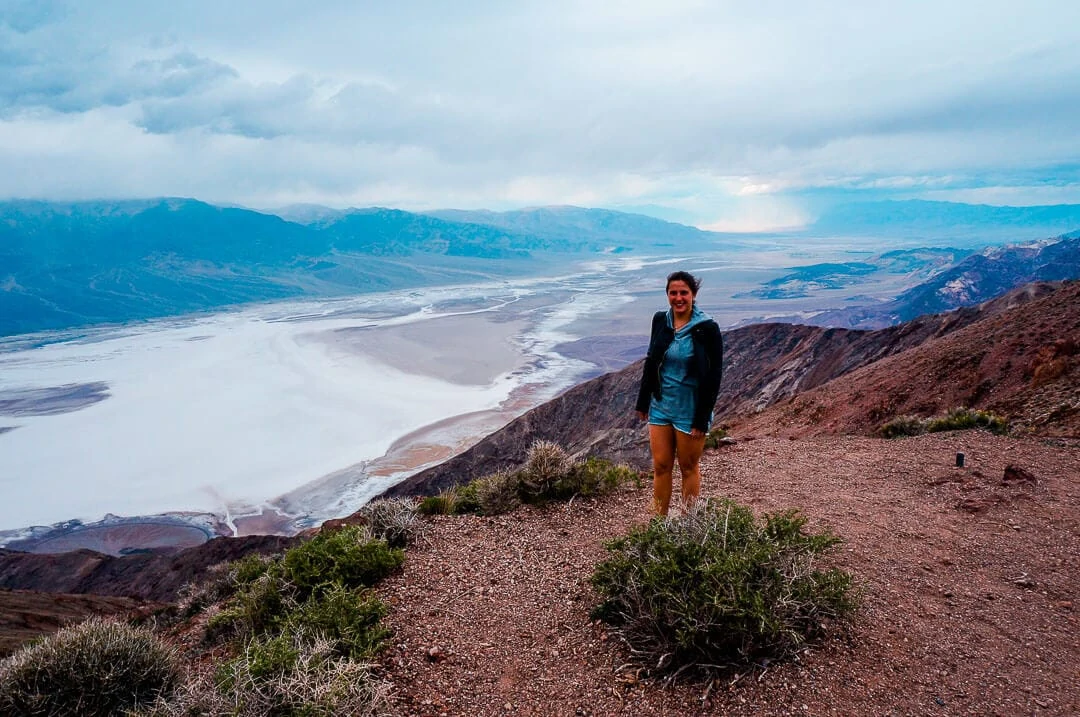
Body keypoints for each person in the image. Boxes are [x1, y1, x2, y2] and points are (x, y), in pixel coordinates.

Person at [635, 270, 724, 515]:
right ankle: (658, 526)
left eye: (683, 292)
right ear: (667, 295)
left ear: (693, 295)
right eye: (673, 293)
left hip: (690, 408)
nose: (678, 298)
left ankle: (688, 526)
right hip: (661, 406)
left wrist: (701, 417)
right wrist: (643, 401)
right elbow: (651, 361)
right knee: (661, 466)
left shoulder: (707, 328)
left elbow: (714, 375)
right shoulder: (660, 321)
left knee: (688, 467)